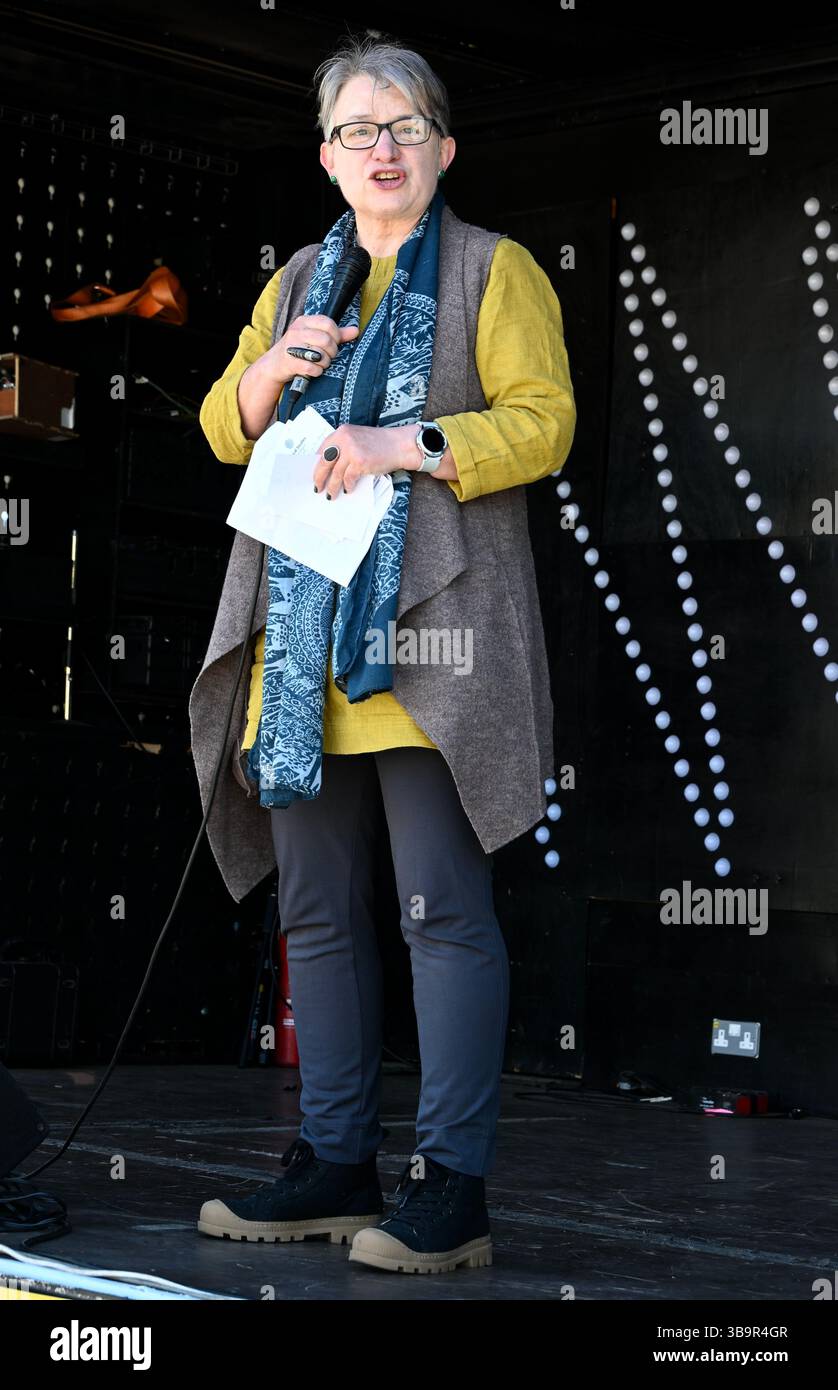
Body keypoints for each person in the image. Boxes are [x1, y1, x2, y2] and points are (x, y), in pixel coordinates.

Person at [192, 34, 576, 1275]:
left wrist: (394, 442)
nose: (384, 148)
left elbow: (543, 423)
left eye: (405, 126)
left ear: (444, 146)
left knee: (439, 914)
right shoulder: (300, 275)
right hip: (299, 649)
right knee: (315, 915)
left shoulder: (492, 269)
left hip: (429, 647)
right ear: (327, 157)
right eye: (359, 131)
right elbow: (217, 427)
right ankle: (331, 1160)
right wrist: (266, 377)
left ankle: (448, 1186)